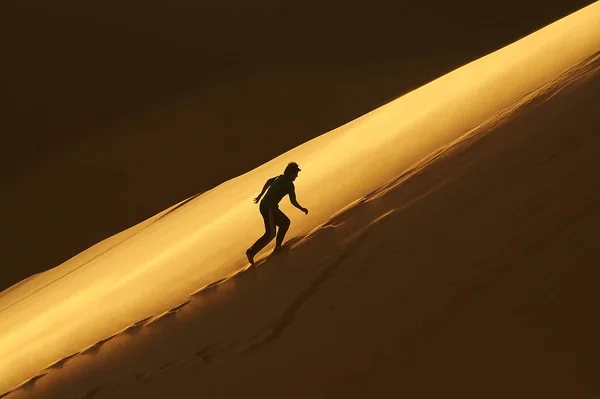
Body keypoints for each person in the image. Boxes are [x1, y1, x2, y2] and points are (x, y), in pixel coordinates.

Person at [246, 162, 308, 265]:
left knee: (285, 223)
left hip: (268, 206)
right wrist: (301, 208)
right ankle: (251, 251)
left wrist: (260, 195)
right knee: (271, 233)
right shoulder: (289, 184)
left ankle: (278, 247)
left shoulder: (280, 177)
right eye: (295, 173)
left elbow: (269, 181)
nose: (296, 176)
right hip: (268, 207)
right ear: (290, 173)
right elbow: (293, 201)